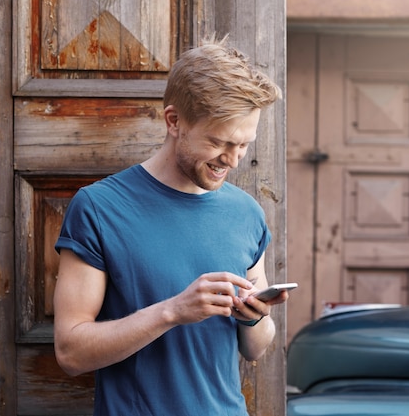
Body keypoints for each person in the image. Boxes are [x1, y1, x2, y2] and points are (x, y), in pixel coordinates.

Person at [53, 35, 286, 416]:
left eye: (243, 145)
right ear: (174, 121)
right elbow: (70, 352)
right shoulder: (98, 207)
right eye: (219, 142)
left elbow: (256, 347)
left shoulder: (247, 213)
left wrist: (255, 315)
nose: (233, 160)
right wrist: (174, 311)